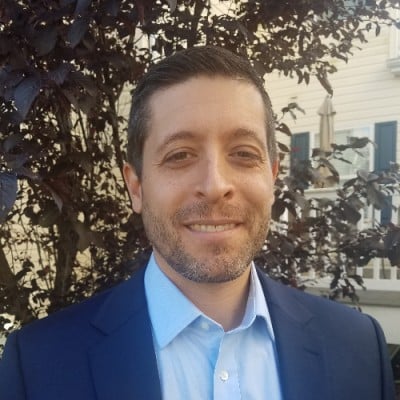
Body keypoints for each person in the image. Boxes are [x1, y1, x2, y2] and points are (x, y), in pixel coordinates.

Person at [0, 46, 395, 400]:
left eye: (243, 153)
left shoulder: (357, 348)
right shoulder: (38, 367)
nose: (215, 185)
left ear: (272, 178)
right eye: (180, 155)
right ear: (136, 187)